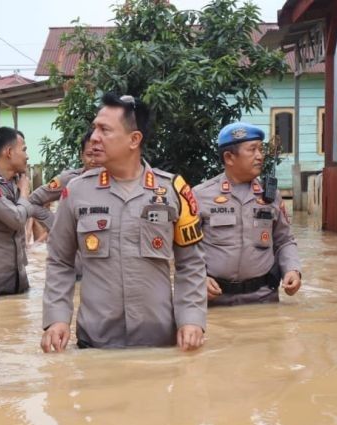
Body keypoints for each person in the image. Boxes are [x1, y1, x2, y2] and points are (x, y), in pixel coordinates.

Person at [40, 93, 206, 352]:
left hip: (160, 342)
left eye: (104, 129)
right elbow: (60, 261)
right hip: (95, 343)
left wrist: (192, 319)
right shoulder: (76, 191)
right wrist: (57, 319)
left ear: (134, 139)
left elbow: (191, 264)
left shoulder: (174, 190)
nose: (94, 137)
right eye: (94, 127)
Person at [193, 122, 302, 306]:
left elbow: (284, 240)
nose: (260, 156)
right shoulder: (200, 195)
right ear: (229, 157)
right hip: (214, 301)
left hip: (262, 298)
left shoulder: (270, 196)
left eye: (261, 149)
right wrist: (198, 278)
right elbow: (186, 248)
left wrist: (292, 270)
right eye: (252, 150)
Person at [0, 127, 49, 295]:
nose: (27, 156)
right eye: (24, 149)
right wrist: (25, 193)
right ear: (9, 152)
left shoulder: (16, 183)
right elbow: (16, 218)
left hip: (19, 281)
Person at [28, 127, 98, 231]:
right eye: (89, 155)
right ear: (81, 156)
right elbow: (33, 201)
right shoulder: (69, 180)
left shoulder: (117, 180)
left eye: (98, 154)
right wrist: (58, 226)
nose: (94, 160)